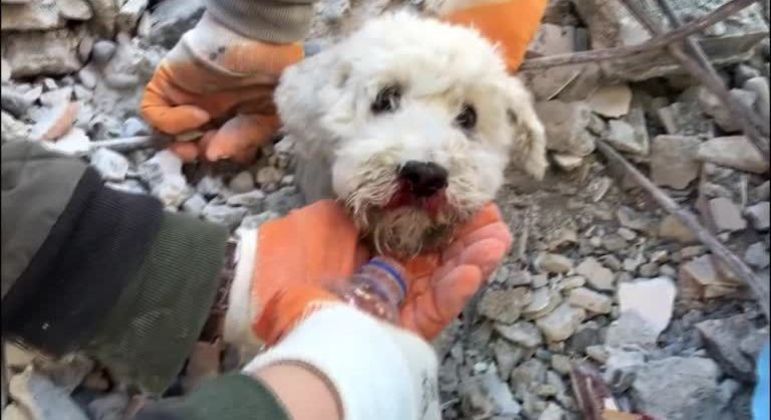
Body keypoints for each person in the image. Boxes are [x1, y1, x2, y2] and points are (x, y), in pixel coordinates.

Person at [3, 1, 547, 419]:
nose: (427, 157)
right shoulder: (315, 114)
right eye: (384, 102)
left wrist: (219, 287)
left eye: (468, 118)